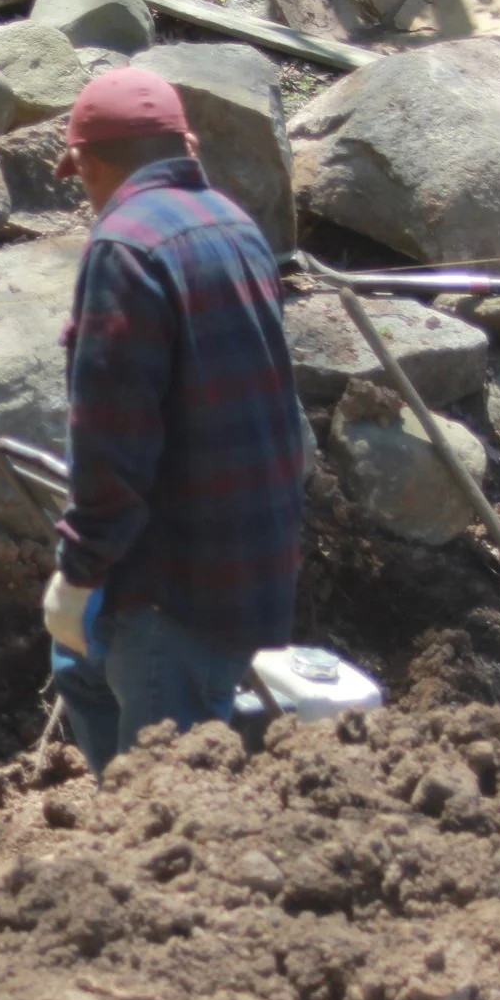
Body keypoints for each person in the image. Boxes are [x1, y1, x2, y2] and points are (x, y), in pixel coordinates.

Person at [41, 66, 307, 774]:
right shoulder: (235, 222)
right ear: (185, 146)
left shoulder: (123, 247)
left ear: (89, 161)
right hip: (255, 568)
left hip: (174, 587)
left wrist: (79, 568)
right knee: (77, 666)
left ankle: (144, 862)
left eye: (81, 176)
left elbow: (111, 440)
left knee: (166, 815)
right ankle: (114, 839)